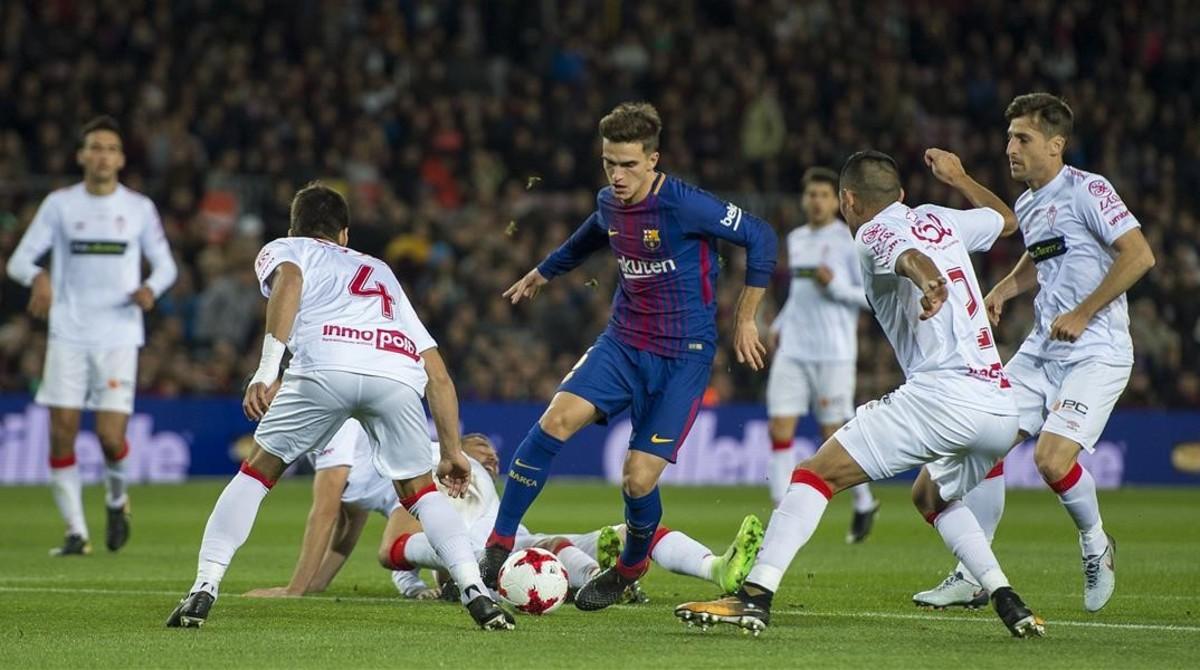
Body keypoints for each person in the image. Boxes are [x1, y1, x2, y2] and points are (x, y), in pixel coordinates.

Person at [674, 149, 1047, 638]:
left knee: (813, 475)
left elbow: (908, 257)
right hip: (999, 404)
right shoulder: (937, 217)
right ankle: (1007, 599)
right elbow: (1005, 220)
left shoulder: (871, 231)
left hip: (942, 396)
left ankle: (754, 596)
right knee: (929, 496)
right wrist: (960, 178)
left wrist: (930, 282)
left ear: (849, 200)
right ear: (902, 195)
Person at [165, 182, 513, 631]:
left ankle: (203, 589)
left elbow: (288, 280)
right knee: (422, 493)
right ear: (344, 234)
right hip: (394, 374)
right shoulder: (381, 270)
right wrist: (450, 451)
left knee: (256, 474)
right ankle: (476, 594)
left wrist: (267, 368)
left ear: (296, 228)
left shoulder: (285, 249)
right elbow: (438, 373)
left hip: (326, 364)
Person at [477, 102, 778, 612]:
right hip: (624, 340)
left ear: (654, 160)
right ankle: (499, 544)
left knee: (638, 479)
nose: (618, 176)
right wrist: (543, 271)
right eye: (609, 163)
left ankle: (631, 566)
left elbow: (761, 236)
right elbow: (594, 231)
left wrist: (746, 316)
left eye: (629, 165)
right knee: (554, 422)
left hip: (684, 354)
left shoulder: (685, 205)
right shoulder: (610, 200)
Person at [913, 93, 1155, 612]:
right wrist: (1003, 288)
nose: (1010, 148)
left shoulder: (1089, 190)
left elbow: (1140, 254)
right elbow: (1041, 254)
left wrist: (1086, 311)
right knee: (983, 439)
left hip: (1097, 349)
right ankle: (973, 574)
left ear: (1056, 144)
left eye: (1022, 139)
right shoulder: (1028, 202)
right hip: (1043, 348)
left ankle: (1096, 545)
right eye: (1009, 138)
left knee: (1050, 459)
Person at [245, 420, 764, 602]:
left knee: (412, 552)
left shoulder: (330, 428)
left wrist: (293, 589)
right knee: (517, 543)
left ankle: (583, 573)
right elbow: (346, 525)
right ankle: (701, 565)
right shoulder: (347, 435)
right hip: (445, 479)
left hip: (435, 481)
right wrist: (311, 587)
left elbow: (325, 509)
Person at [7, 116, 177, 556]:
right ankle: (75, 532)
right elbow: (18, 261)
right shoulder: (60, 205)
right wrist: (39, 275)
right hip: (68, 333)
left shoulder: (138, 208)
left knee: (109, 438)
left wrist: (149, 289)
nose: (101, 155)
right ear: (82, 156)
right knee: (61, 433)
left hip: (119, 335)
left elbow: (166, 266)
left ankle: (117, 500)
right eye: (94, 147)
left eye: (110, 148)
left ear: (120, 159)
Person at [766, 166, 878, 542]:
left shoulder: (851, 241)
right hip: (794, 349)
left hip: (833, 352)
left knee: (833, 433)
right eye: (811, 194)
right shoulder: (796, 238)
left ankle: (863, 502)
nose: (816, 201)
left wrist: (837, 287)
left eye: (823, 195)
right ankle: (782, 512)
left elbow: (869, 297)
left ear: (839, 200)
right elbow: (800, 294)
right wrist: (779, 322)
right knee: (779, 428)